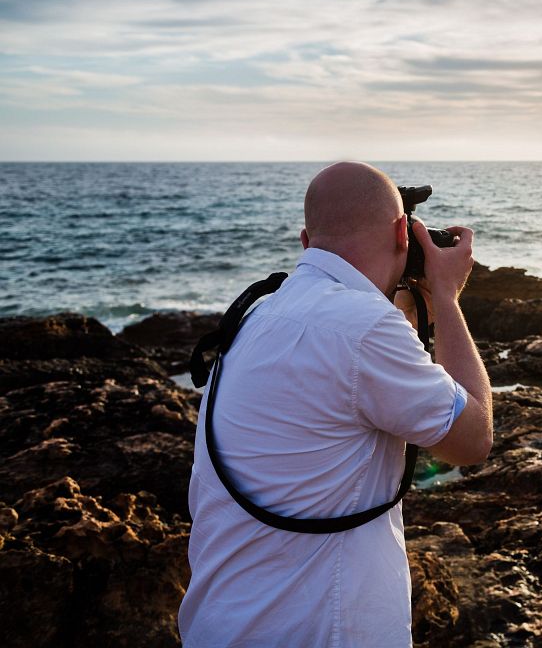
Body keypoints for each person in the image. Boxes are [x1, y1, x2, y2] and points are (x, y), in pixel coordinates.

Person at [178, 161, 492, 646]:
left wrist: (413, 301)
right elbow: (471, 440)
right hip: (320, 629)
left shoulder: (259, 315)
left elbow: (363, 374)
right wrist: (447, 298)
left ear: (307, 242)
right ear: (401, 233)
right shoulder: (364, 330)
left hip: (223, 623)